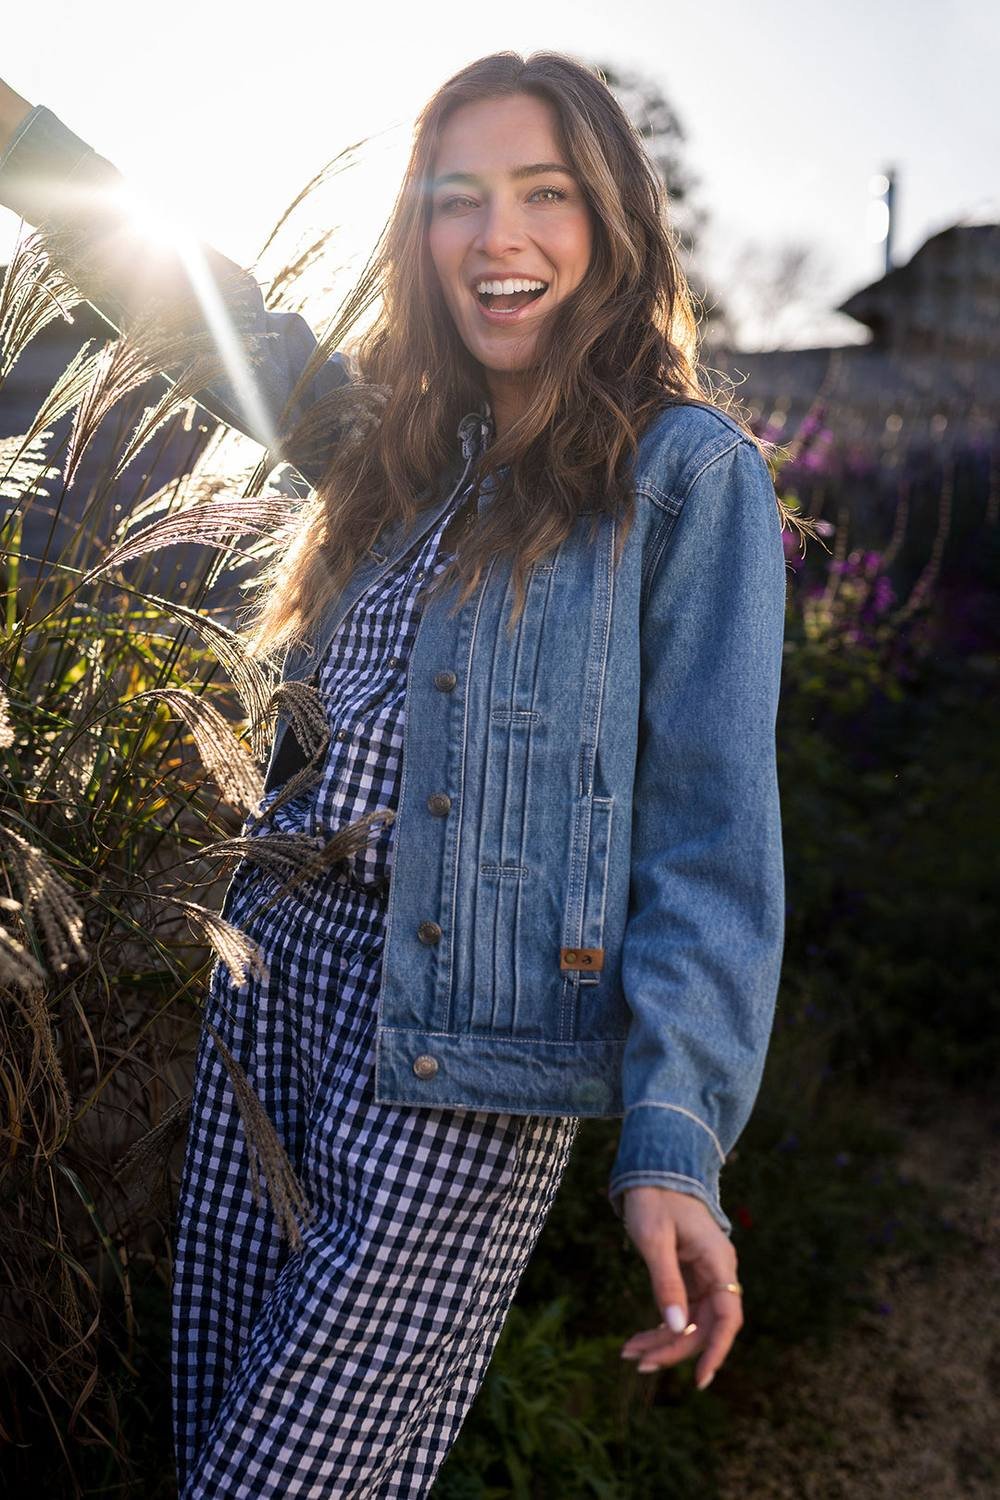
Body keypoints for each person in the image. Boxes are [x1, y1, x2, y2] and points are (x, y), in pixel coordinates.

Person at [0, 51, 789, 1497]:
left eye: (545, 193)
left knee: (280, 1475)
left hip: (457, 1060)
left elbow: (710, 836)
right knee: (218, 1434)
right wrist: (22, 140)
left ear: (613, 220)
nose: (499, 236)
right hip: (269, 995)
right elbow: (200, 309)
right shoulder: (397, 446)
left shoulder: (686, 475)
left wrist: (677, 1136)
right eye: (457, 198)